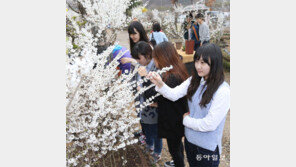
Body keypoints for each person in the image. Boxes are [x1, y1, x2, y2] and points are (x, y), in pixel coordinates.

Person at [147, 43, 230, 167]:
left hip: (207, 148)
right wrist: (159, 83)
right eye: (197, 61)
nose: (198, 66)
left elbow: (210, 124)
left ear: (215, 63)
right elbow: (173, 94)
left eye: (203, 63)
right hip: (190, 142)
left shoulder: (223, 91)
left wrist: (186, 120)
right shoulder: (194, 81)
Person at [142, 42, 189, 167]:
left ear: (163, 58)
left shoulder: (170, 77)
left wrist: (145, 79)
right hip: (178, 115)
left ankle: (179, 164)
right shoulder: (178, 69)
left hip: (172, 120)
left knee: (174, 149)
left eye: (155, 57)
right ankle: (178, 161)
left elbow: (152, 95)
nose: (154, 61)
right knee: (177, 145)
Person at [130, 41, 163, 162]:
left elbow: (157, 89)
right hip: (142, 103)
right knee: (145, 127)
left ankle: (158, 152)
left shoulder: (156, 67)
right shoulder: (139, 66)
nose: (138, 61)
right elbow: (134, 81)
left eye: (139, 58)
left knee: (156, 131)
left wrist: (144, 80)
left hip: (153, 106)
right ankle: (149, 145)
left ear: (148, 55)